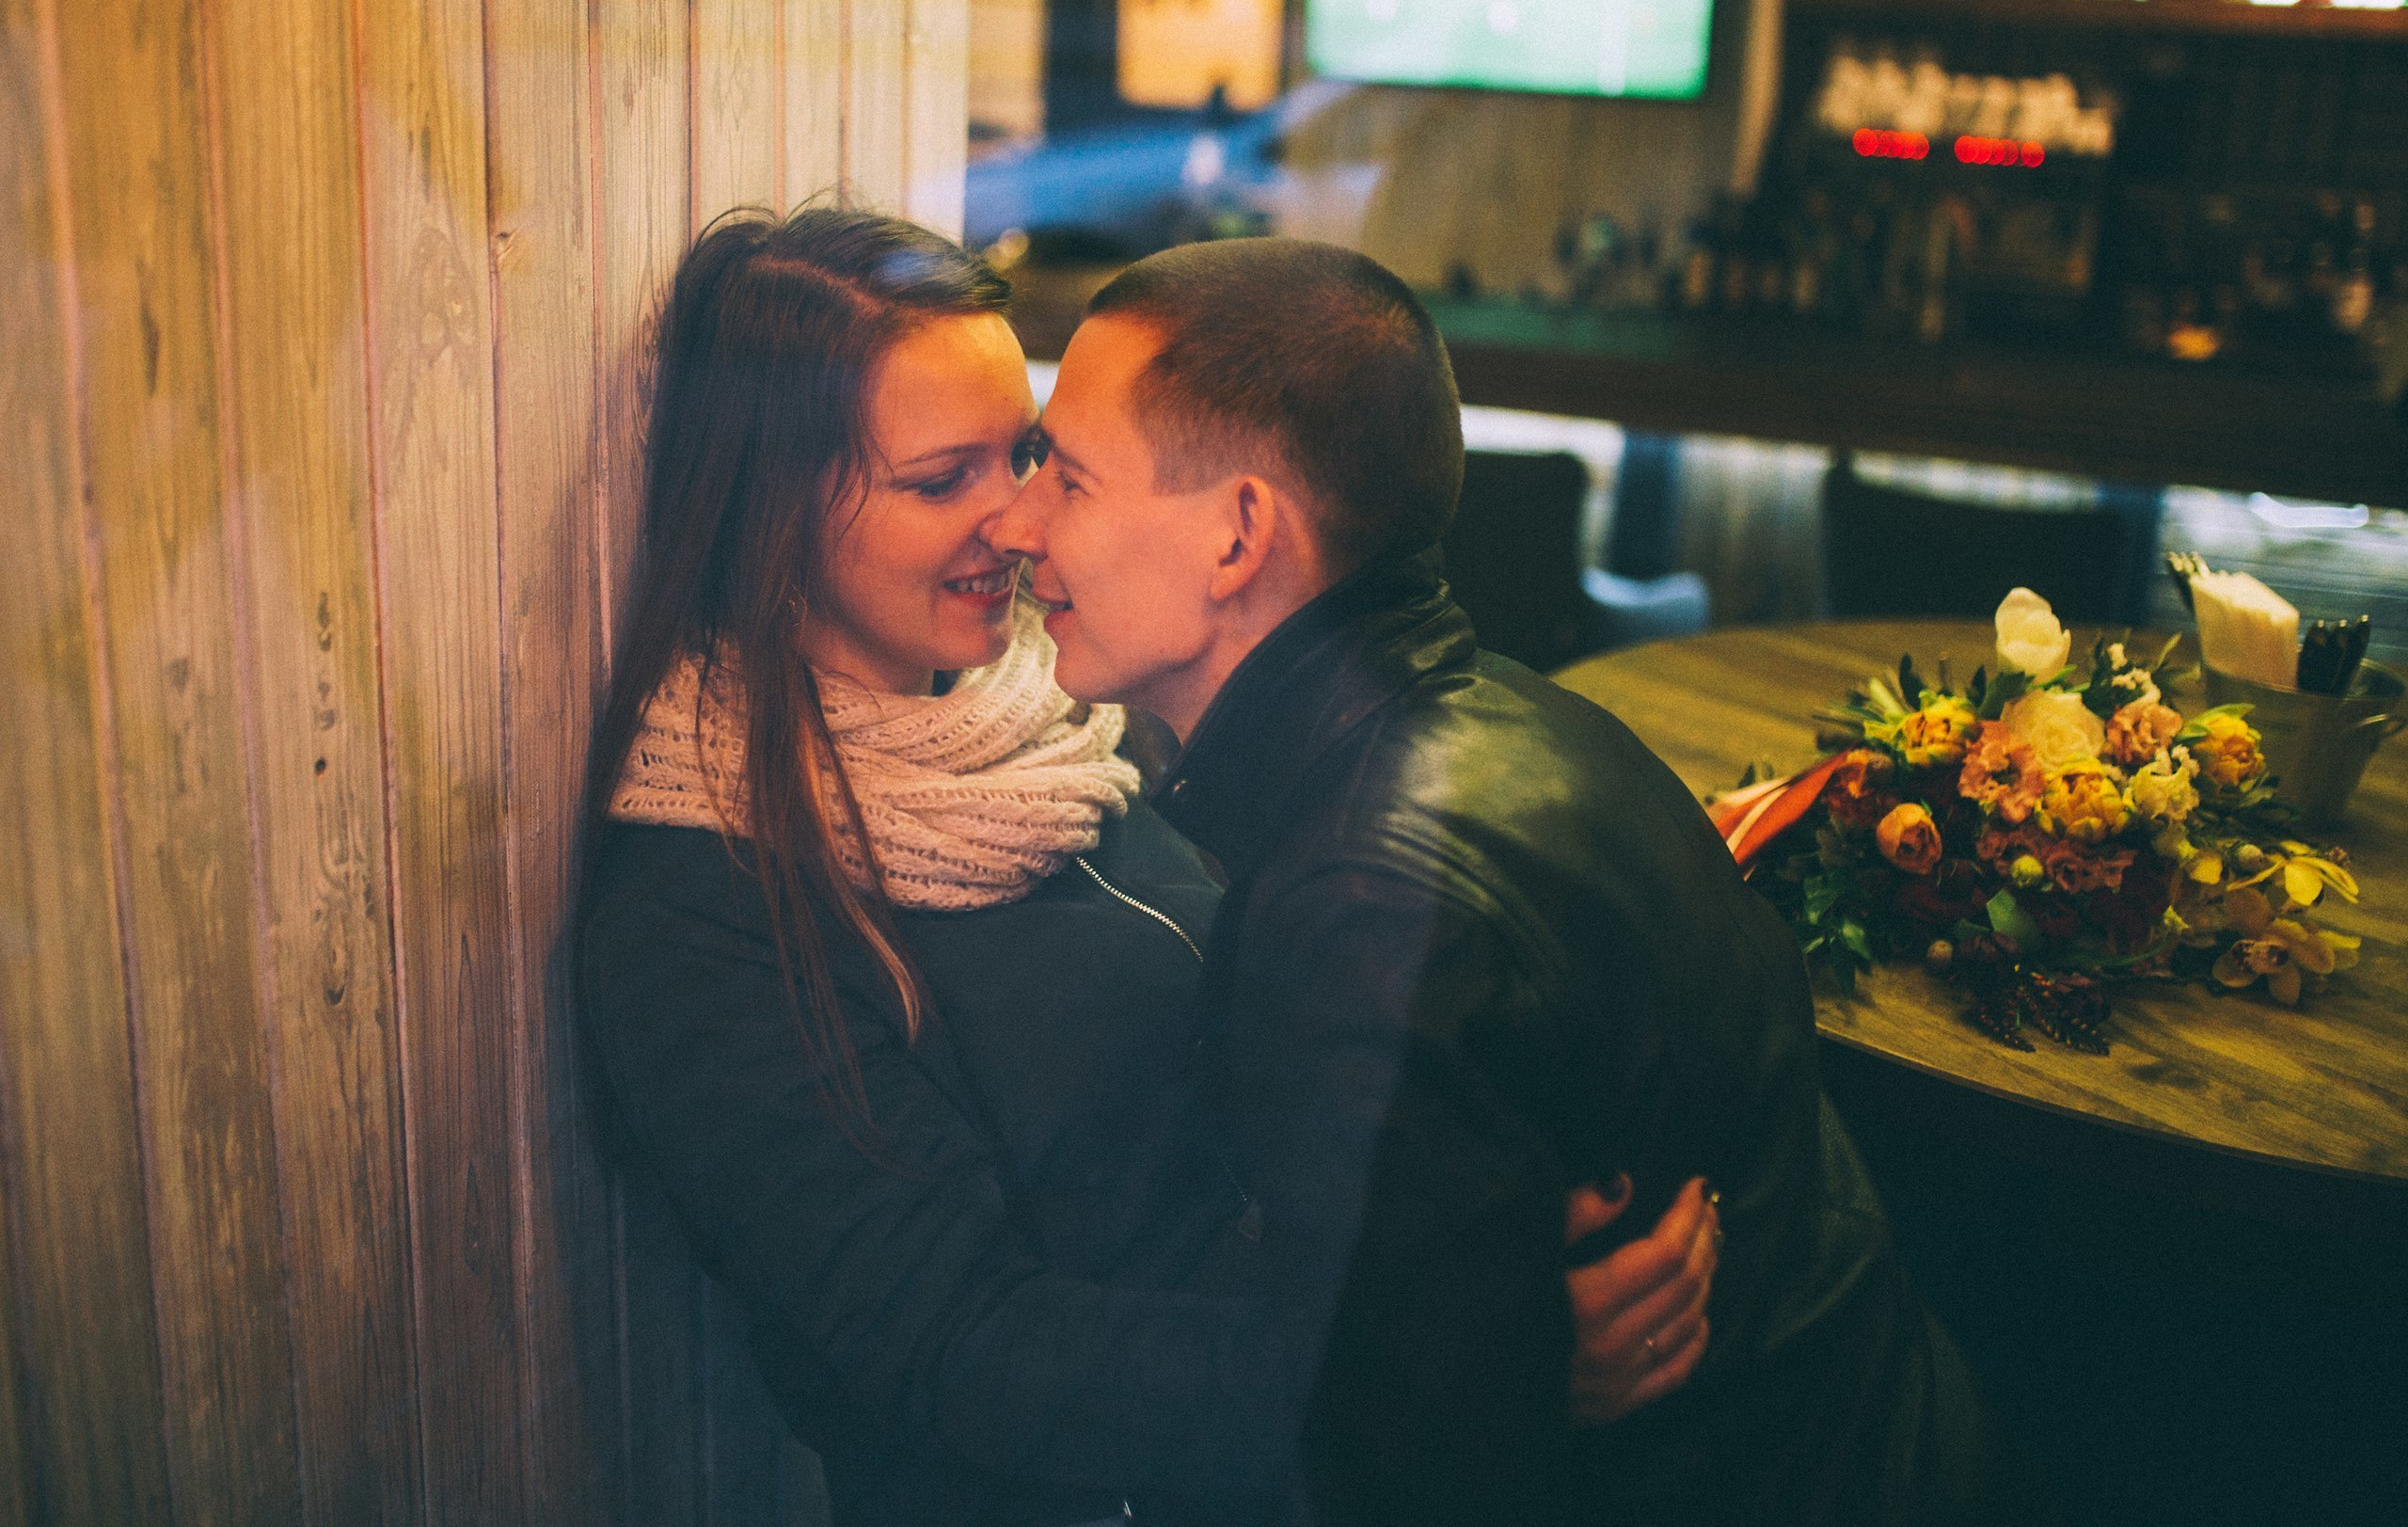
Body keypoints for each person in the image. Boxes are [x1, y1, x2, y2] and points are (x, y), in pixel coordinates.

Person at [573, 207, 1719, 1526]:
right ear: (770, 511)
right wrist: (1462, 1360)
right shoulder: (698, 912)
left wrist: (1510, 1208)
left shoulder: (1058, 715)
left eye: (1030, 455)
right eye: (944, 478)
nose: (1018, 522)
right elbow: (973, 1352)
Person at [990, 236, 2025, 1527]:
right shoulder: (1527, 713)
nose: (1017, 520)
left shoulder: (1361, 903)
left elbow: (1419, 1480)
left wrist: (1505, 1378)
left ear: (1239, 533)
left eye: (1069, 476)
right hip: (1885, 1428)